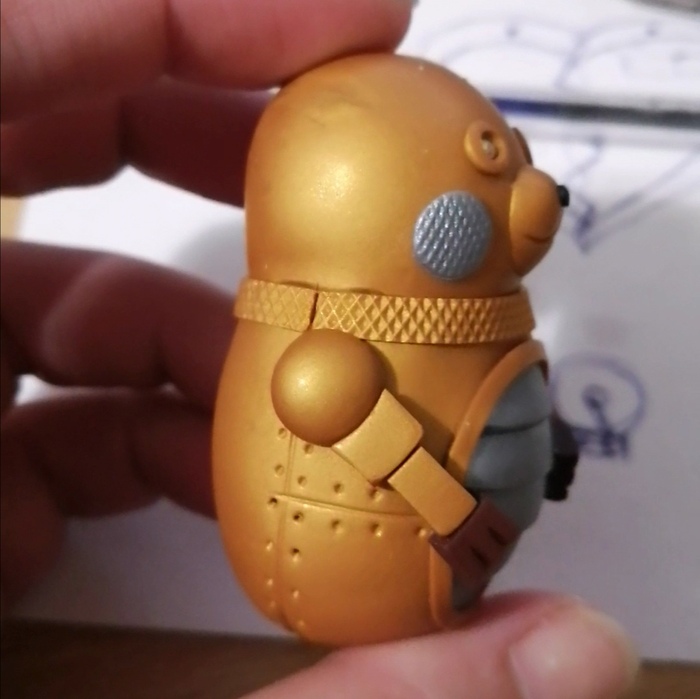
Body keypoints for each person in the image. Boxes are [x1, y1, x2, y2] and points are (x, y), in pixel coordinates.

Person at [0, 1, 639, 697]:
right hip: (405, 538)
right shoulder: (332, 333)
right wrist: (447, 505)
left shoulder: (481, 315)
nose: (537, 193)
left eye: (513, 156)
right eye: (489, 159)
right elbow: (320, 395)